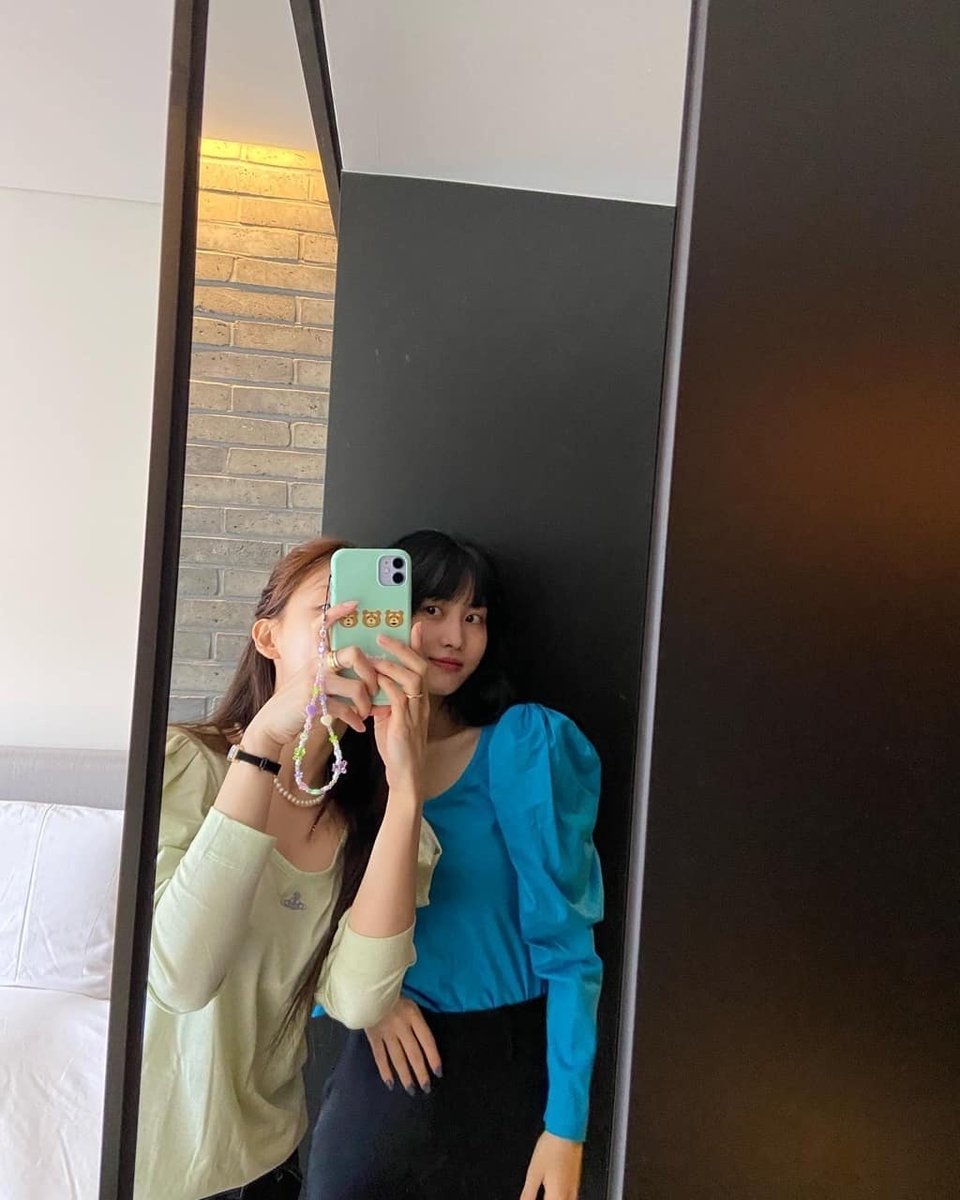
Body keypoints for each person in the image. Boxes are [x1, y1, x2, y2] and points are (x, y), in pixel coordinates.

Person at [134, 537, 440, 1200]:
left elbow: (357, 1001)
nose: (354, 641)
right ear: (267, 638)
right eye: (331, 612)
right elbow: (179, 977)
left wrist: (407, 790)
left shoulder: (378, 824)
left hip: (265, 1168)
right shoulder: (183, 767)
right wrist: (264, 743)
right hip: (136, 1166)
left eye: (377, 618)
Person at [306, 530, 603, 1200]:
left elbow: (569, 951)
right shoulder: (341, 752)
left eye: (475, 617)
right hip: (378, 1066)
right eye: (433, 609)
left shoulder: (525, 747)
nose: (455, 637)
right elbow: (289, 913)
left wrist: (566, 1127)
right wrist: (368, 999)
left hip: (503, 1069)